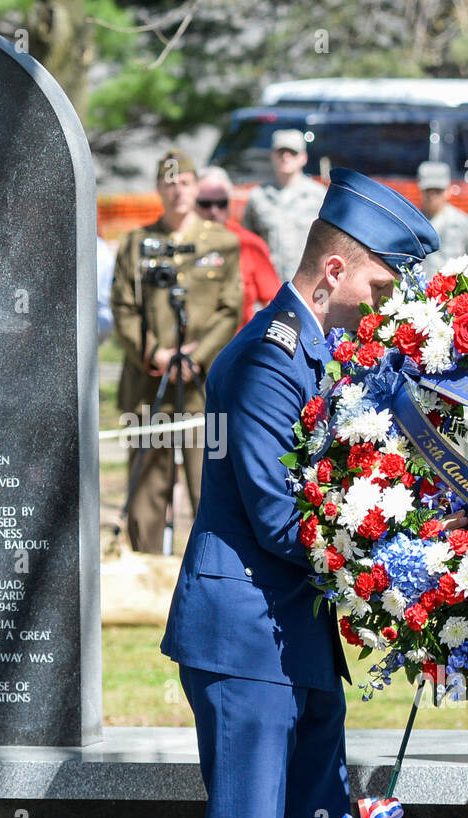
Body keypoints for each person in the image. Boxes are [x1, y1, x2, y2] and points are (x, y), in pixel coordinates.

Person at [161, 168, 440, 818]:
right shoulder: (268, 358)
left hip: (297, 644)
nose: (381, 307)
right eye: (378, 288)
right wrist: (400, 568)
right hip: (247, 644)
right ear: (335, 269)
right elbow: (278, 516)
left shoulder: (316, 353)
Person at [111, 150, 242, 554]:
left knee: (209, 483)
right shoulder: (136, 244)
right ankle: (149, 571)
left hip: (205, 390)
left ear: (196, 186)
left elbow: (229, 309)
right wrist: (157, 355)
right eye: (168, 183)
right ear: (158, 188)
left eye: (184, 182)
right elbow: (123, 307)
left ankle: (210, 572)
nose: (176, 191)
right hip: (150, 386)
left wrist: (196, 356)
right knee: (149, 488)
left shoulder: (223, 242)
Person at [196, 165, 281, 330]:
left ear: (229, 205)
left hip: (237, 347)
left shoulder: (250, 244)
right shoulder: (181, 243)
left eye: (221, 203)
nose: (213, 211)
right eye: (205, 204)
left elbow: (273, 303)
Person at [241, 129, 327, 282]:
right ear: (272, 156)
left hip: (307, 286)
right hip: (269, 286)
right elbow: (248, 244)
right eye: (281, 152)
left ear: (303, 158)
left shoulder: (319, 196)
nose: (285, 157)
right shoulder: (258, 196)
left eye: (292, 153)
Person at [416, 161, 468, 276]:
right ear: (421, 191)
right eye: (428, 191)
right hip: (422, 289)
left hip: (454, 290)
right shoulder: (413, 223)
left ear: (447, 191)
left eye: (438, 191)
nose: (432, 197)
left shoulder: (463, 222)